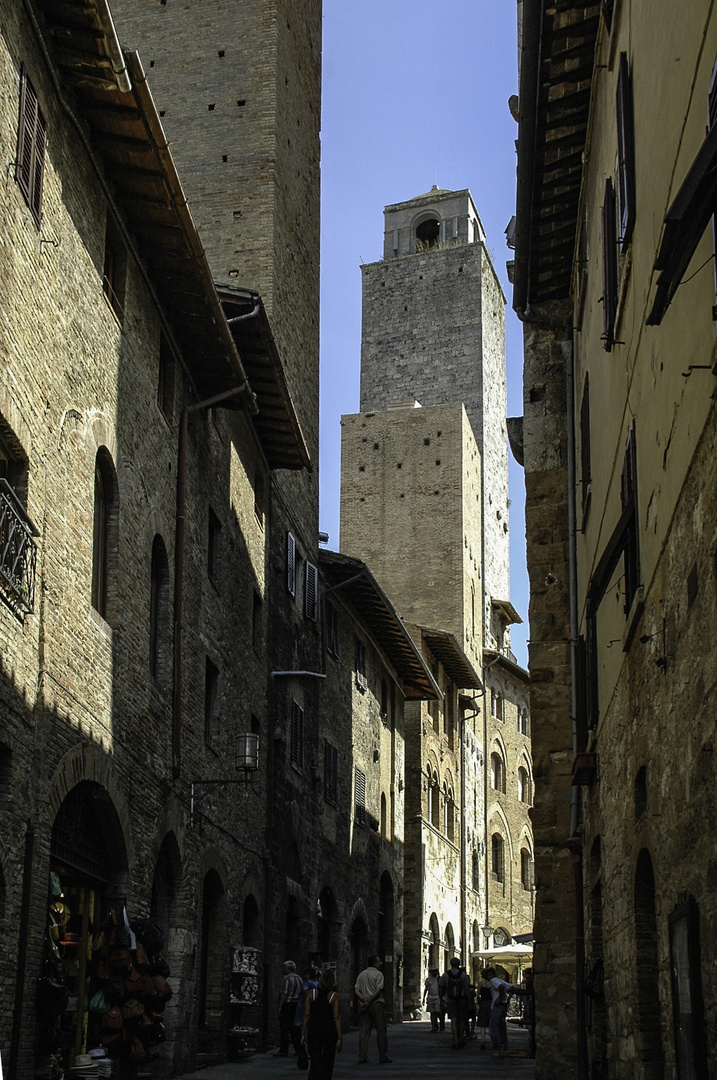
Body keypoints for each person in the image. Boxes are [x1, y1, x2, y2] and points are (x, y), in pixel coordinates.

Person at [302, 968, 342, 1080]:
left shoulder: (312, 994)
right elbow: (336, 1017)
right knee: (328, 1059)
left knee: (315, 1059)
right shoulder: (334, 996)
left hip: (314, 1028)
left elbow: (306, 1014)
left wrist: (303, 1033)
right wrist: (340, 1036)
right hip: (329, 1030)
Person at [355, 955, 392, 1063]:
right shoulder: (378, 974)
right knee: (381, 1029)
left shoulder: (362, 974)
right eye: (379, 962)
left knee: (364, 1031)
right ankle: (383, 1056)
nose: (381, 963)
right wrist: (370, 1001)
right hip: (376, 1003)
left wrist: (364, 1000)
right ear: (375, 963)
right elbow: (378, 990)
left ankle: (362, 1056)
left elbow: (356, 989)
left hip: (365, 1004)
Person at [484, 966, 518, 1056]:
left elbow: (502, 987)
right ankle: (505, 1047)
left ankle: (499, 1048)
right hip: (502, 1005)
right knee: (502, 1027)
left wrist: (499, 998)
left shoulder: (493, 981)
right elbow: (509, 988)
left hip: (497, 1006)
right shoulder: (498, 980)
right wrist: (506, 999)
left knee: (493, 1027)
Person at [439, 957, 470, 1048]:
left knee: (453, 1020)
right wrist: (469, 1000)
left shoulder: (446, 975)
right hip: (461, 1000)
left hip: (450, 1000)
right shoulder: (463, 975)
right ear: (458, 964)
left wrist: (441, 1000)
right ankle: (461, 1039)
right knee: (461, 1020)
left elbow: (441, 987)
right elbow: (467, 988)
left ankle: (455, 1040)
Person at [276, 960, 303, 1056]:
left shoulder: (286, 979)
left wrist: (280, 1006)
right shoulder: (299, 979)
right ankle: (298, 1049)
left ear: (287, 969)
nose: (283, 970)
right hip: (296, 1004)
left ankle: (284, 1049)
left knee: (284, 1027)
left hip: (288, 1004)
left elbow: (284, 993)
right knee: (295, 1028)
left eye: (284, 968)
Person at [294, 965, 320, 1045]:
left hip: (304, 1005)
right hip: (315, 1005)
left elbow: (305, 992)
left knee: (303, 1024)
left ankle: (303, 1042)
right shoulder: (317, 983)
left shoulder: (307, 983)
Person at [476, 969, 493, 1049]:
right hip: (490, 1003)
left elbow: (478, 995)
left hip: (483, 1004)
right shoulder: (492, 984)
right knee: (491, 1023)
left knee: (483, 1025)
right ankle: (494, 1041)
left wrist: (478, 1002)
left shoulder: (481, 984)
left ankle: (483, 1041)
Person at [422, 966, 442, 1032]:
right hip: (430, 997)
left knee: (437, 1012)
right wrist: (424, 998)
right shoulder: (428, 980)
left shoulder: (439, 979)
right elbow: (426, 989)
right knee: (432, 1013)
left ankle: (440, 1023)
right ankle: (434, 1026)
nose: (434, 973)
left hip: (437, 997)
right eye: (433, 971)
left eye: (435, 971)